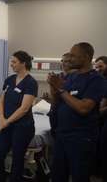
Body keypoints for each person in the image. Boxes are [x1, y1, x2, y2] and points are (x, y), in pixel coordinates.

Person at [48, 42, 105, 182]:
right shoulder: (70, 77)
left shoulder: (97, 80)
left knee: (79, 176)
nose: (70, 59)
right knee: (57, 176)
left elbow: (83, 108)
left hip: (81, 138)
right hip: (62, 135)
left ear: (85, 57)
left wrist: (61, 89)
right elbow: (58, 102)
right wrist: (53, 87)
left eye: (73, 55)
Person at [0, 50, 38, 182]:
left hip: (22, 127)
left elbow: (24, 109)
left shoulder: (31, 83)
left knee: (17, 159)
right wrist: (1, 118)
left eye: (14, 62)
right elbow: (1, 100)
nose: (11, 64)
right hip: (6, 123)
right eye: (11, 61)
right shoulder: (9, 80)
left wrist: (6, 122)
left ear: (23, 63)